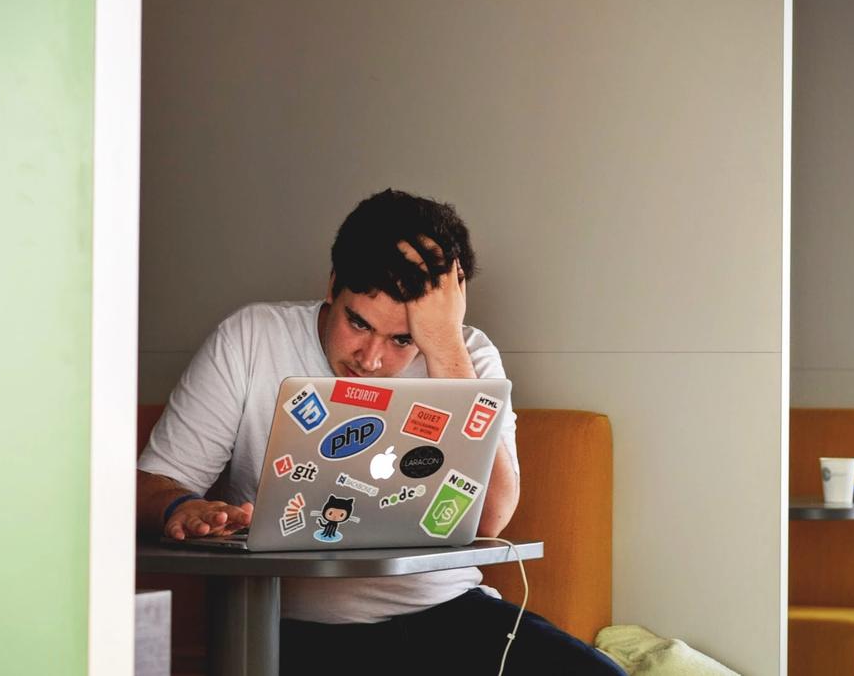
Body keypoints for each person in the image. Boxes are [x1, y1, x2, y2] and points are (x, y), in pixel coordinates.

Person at [135, 189, 623, 674]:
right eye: (358, 323)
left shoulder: (467, 356)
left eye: (402, 339)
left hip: (446, 611)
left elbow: (490, 519)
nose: (370, 359)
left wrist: (444, 348)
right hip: (293, 628)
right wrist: (183, 508)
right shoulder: (252, 338)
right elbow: (149, 487)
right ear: (333, 285)